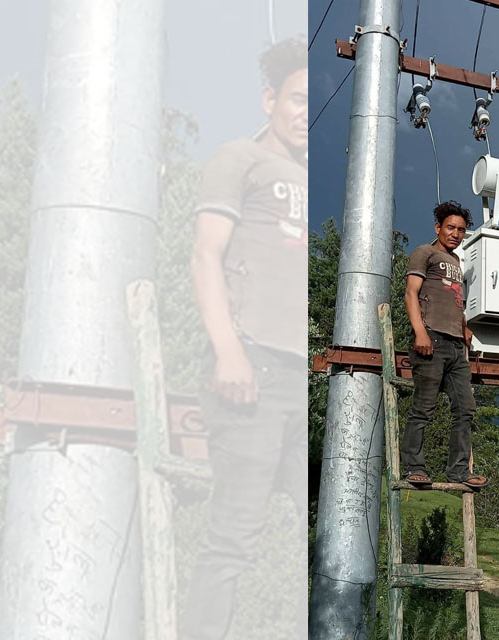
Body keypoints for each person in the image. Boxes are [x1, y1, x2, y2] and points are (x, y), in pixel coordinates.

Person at [182, 37, 308, 640]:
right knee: (234, 538)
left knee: (327, 524)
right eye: (296, 100)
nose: (306, 113)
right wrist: (228, 351)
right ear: (270, 100)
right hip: (251, 372)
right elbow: (205, 256)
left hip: (299, 379)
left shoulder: (317, 177)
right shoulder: (240, 159)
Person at [400, 201, 489, 489]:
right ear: (438, 227)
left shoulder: (456, 262)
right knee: (424, 408)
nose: (455, 234)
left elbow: (453, 299)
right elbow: (411, 294)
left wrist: (463, 327)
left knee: (465, 408)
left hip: (454, 346)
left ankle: (459, 471)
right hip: (431, 339)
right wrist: (420, 333)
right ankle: (415, 467)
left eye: (461, 230)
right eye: (450, 227)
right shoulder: (424, 253)